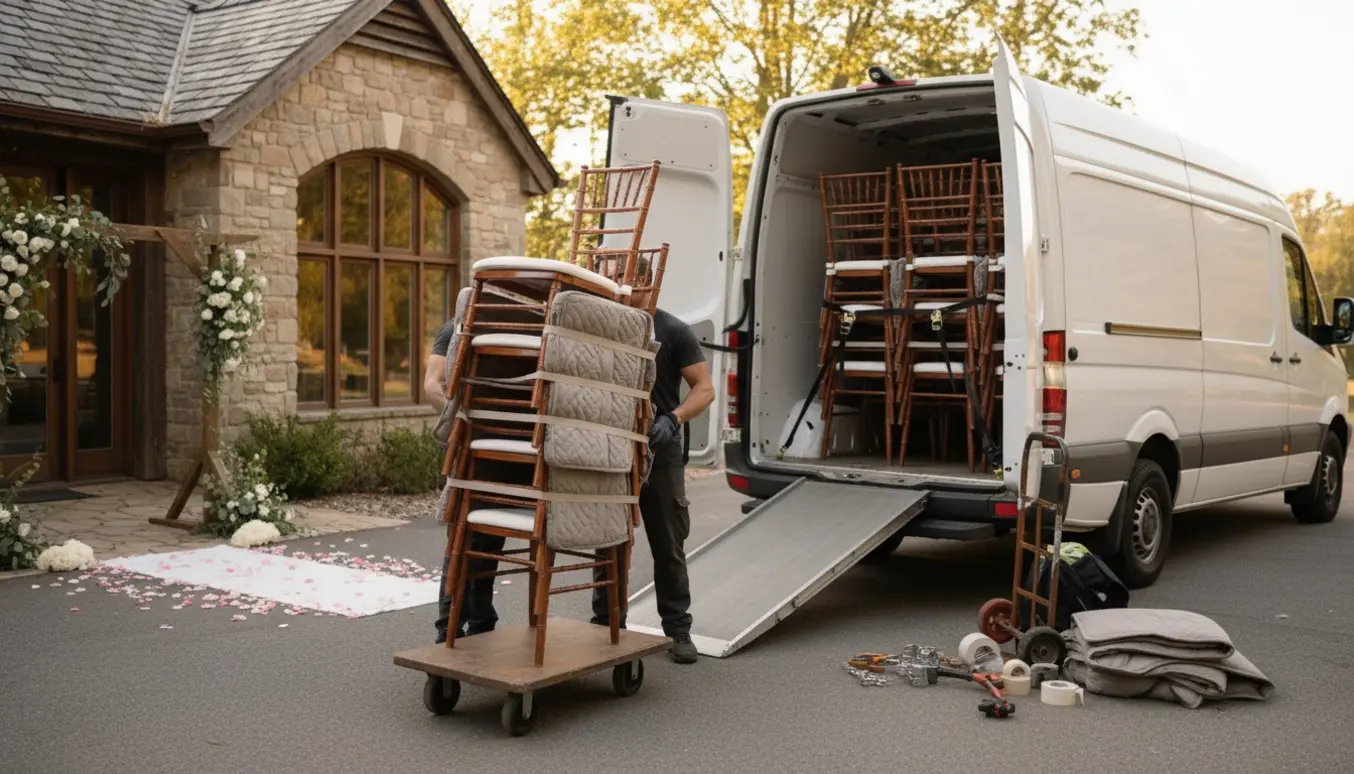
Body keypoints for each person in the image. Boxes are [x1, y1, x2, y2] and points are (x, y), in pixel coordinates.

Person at [590, 298, 715, 664]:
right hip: (614, 446)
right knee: (609, 541)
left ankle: (678, 630)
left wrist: (674, 418)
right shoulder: (606, 323)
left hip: (660, 448)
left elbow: (704, 388)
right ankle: (606, 625)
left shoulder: (673, 330)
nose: (627, 292)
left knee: (668, 543)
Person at [423, 299, 503, 644]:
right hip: (465, 449)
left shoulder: (509, 331)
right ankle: (448, 628)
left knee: (489, 538)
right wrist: (464, 422)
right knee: (460, 539)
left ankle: (481, 619)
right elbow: (432, 386)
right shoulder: (453, 328)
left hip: (498, 451)